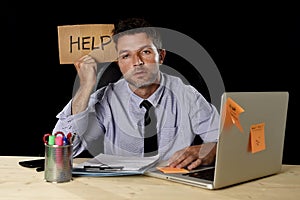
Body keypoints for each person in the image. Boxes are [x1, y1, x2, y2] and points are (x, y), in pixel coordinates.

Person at [53, 17, 220, 170]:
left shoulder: (186, 95)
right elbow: (62, 153)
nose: (137, 62)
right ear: (118, 62)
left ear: (161, 56)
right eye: (126, 55)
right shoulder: (106, 99)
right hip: (121, 189)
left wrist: (206, 151)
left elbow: (224, 143)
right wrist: (85, 87)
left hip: (172, 186)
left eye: (146, 52)